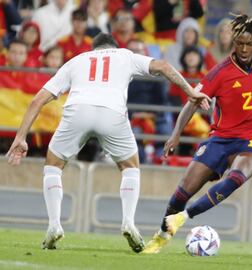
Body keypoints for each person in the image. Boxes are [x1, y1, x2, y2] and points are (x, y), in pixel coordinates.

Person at [6, 33, 210, 253]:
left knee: (53, 166)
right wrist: (190, 91)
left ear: (94, 49)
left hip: (77, 111)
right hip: (112, 113)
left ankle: (54, 225)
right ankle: (128, 222)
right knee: (130, 167)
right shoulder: (125, 55)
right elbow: (163, 66)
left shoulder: (76, 61)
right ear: (114, 46)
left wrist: (20, 137)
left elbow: (38, 99)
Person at [142, 14, 252, 254]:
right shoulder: (220, 72)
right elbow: (192, 101)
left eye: (249, 43)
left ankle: (185, 216)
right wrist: (175, 134)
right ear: (233, 42)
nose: (244, 49)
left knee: (237, 177)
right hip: (221, 139)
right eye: (239, 43)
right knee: (184, 189)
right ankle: (162, 236)